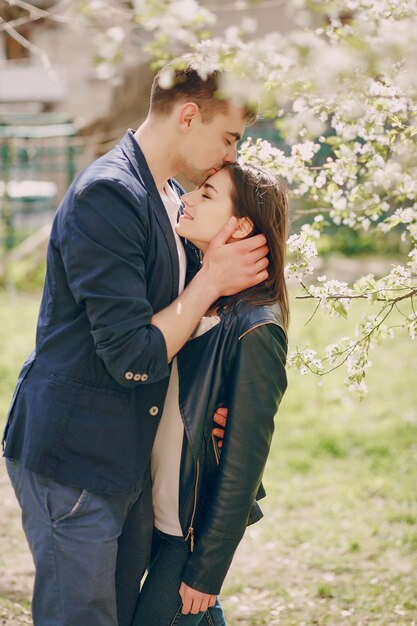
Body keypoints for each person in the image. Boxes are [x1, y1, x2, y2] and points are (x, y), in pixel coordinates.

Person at [1, 60, 270, 626]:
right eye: (228, 138)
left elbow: (182, 330)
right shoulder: (109, 195)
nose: (231, 156)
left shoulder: (168, 195)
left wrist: (210, 409)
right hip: (76, 457)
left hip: (128, 462)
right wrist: (212, 280)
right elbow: (135, 355)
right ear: (188, 116)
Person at [131, 161, 289, 626]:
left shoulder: (255, 328)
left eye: (208, 194)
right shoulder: (188, 294)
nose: (188, 198)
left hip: (189, 535)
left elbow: (243, 464)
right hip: (153, 516)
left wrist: (207, 571)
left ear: (240, 225)